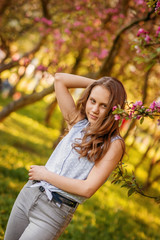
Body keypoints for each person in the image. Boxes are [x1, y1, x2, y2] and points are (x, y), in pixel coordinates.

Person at [4, 73, 127, 240]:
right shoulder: (78, 122)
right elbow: (60, 79)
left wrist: (46, 175)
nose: (95, 110)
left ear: (114, 108)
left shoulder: (114, 144)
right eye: (93, 101)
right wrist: (101, 86)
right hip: (29, 193)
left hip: (54, 211)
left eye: (104, 105)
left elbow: (87, 189)